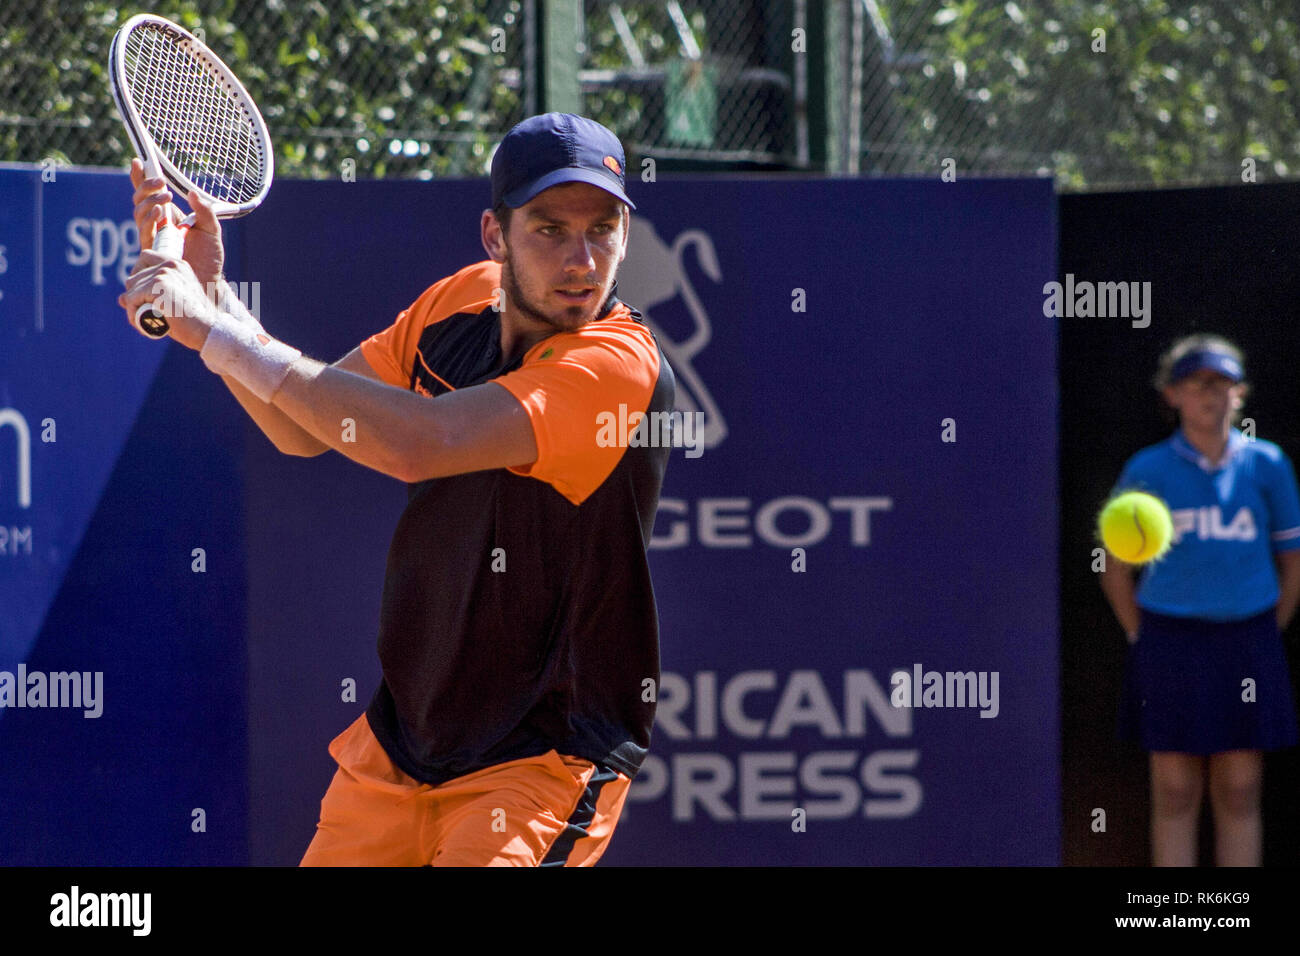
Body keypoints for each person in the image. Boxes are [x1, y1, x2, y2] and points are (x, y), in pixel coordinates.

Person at [120, 113, 676, 866]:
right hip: (399, 749)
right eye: (549, 229)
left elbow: (422, 442)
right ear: (494, 236)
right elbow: (304, 426)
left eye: (603, 230)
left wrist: (213, 331)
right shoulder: (456, 303)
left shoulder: (616, 366)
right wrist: (216, 300)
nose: (581, 261)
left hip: (540, 764)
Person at [1099, 333, 1300, 866]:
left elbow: (1292, 562)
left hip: (1246, 639)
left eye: (1222, 383)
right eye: (1196, 383)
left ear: (1240, 394)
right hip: (1169, 640)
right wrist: (1140, 634)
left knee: (1239, 787)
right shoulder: (1147, 469)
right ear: (1172, 395)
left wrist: (1262, 632)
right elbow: (1115, 571)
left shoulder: (1268, 465)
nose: (1210, 395)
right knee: (1174, 789)